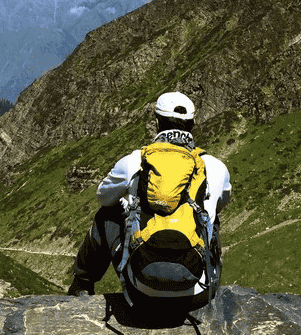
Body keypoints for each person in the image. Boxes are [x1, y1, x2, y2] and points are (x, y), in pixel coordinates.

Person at [68, 91, 232, 309]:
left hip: (142, 292)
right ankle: (206, 276)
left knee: (106, 214)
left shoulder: (134, 161)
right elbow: (222, 203)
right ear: (192, 124)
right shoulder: (216, 167)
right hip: (197, 296)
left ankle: (82, 285)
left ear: (157, 122)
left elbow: (103, 197)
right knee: (211, 218)